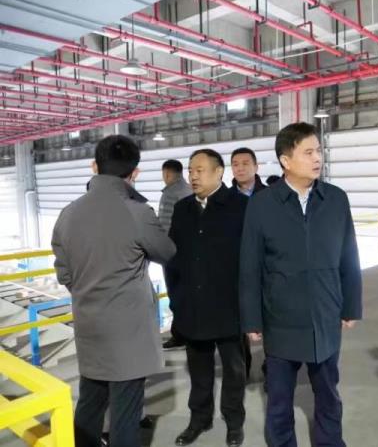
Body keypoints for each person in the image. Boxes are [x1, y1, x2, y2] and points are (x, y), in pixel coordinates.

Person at [240, 122, 362, 447]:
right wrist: (251, 319)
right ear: (286, 160)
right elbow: (250, 266)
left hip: (325, 315)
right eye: (308, 152)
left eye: (318, 151)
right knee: (279, 401)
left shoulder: (335, 199)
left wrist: (351, 304)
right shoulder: (262, 204)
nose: (317, 158)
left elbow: (349, 255)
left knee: (328, 395)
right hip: (281, 319)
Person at [52, 135, 176, 447]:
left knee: (90, 403)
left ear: (95, 166)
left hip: (89, 327)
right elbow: (167, 252)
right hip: (128, 333)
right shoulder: (137, 212)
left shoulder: (68, 213)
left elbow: (64, 274)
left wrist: (89, 292)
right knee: (125, 414)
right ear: (134, 172)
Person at [166, 149, 247, 447]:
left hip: (229, 307)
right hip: (193, 306)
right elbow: (173, 258)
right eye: (190, 170)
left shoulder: (240, 206)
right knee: (198, 370)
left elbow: (251, 261)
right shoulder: (182, 208)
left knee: (234, 370)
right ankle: (199, 419)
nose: (193, 176)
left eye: (200, 170)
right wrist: (177, 300)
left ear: (219, 172)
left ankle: (234, 422)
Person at [230, 147, 267, 379]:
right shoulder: (225, 199)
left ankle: (272, 368)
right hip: (236, 268)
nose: (240, 168)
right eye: (235, 164)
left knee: (270, 319)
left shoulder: (270, 196)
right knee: (238, 324)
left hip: (267, 267)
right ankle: (241, 370)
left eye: (245, 163)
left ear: (256, 166)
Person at [158, 159, 193, 350]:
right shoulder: (189, 190)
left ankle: (180, 335)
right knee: (186, 294)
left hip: (172, 254)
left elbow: (164, 227)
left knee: (176, 295)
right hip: (188, 253)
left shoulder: (170, 194)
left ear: (167, 174)